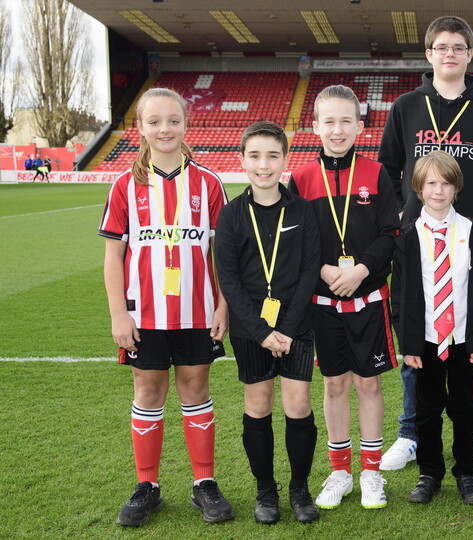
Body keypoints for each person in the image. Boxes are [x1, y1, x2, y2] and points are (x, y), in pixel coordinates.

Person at [378, 15, 473, 472]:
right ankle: (410, 432)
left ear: (470, 54)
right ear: (429, 53)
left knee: (471, 331)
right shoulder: (406, 107)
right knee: (418, 331)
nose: (449, 53)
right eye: (441, 46)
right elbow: (387, 169)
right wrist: (399, 214)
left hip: (468, 240)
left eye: (458, 46)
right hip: (418, 240)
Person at [99, 87, 233, 526]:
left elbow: (223, 255)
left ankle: (204, 484)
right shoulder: (124, 184)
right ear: (139, 128)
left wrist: (222, 306)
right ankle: (147, 487)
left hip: (198, 312)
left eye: (173, 120)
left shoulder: (209, 183)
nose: (165, 129)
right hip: (144, 314)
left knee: (196, 389)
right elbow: (113, 257)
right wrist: (119, 313)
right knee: (148, 391)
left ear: (185, 125)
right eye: (154, 121)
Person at [289, 84, 399, 511]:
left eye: (346, 121)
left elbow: (391, 234)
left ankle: (371, 473)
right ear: (314, 126)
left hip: (369, 298)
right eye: (329, 122)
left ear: (360, 125)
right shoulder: (300, 179)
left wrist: (361, 270)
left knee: (368, 384)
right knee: (334, 384)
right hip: (322, 302)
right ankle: (340, 471)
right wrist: (323, 270)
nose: (337, 130)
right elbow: (296, 241)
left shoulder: (376, 174)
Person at [213, 121, 322, 524]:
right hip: (249, 329)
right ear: (241, 160)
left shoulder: (302, 210)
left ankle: (299, 489)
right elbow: (230, 280)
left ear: (285, 160)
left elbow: (310, 270)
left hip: (296, 326)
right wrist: (262, 332)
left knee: (298, 404)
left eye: (273, 156)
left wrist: (287, 330)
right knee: (257, 406)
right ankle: (265, 491)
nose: (264, 165)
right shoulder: (231, 216)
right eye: (255, 156)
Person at [392, 150, 473, 505]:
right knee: (427, 408)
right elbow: (400, 294)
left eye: (446, 183)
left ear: (456, 187)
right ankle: (429, 472)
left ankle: (467, 472)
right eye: (431, 183)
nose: (439, 190)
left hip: (464, 337)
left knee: (465, 407)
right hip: (427, 339)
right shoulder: (407, 235)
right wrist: (409, 344)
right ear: (419, 187)